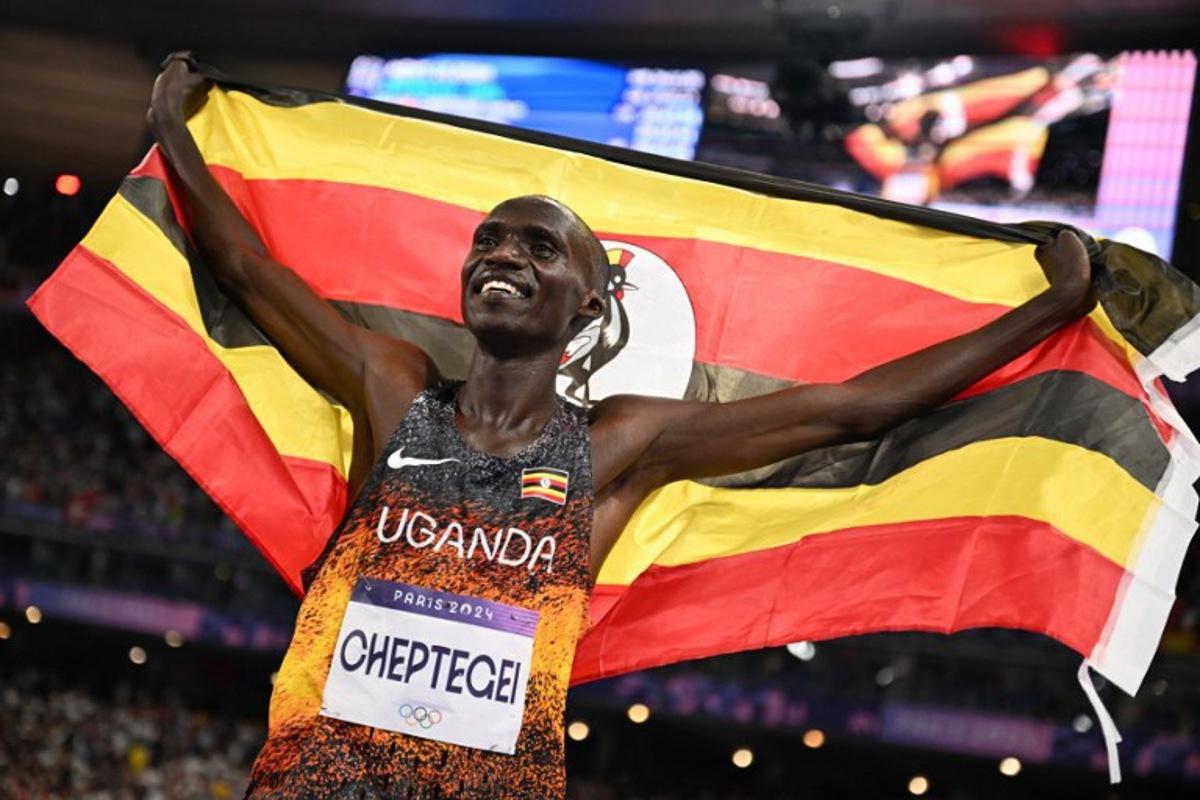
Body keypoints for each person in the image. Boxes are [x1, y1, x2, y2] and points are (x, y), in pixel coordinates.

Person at [147, 54, 1097, 799]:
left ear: (590, 306)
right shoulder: (393, 387)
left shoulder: (619, 444)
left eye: (537, 248)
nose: (502, 255)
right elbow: (242, 267)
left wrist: (1047, 312)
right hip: (316, 781)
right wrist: (172, 126)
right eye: (488, 242)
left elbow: (855, 408)